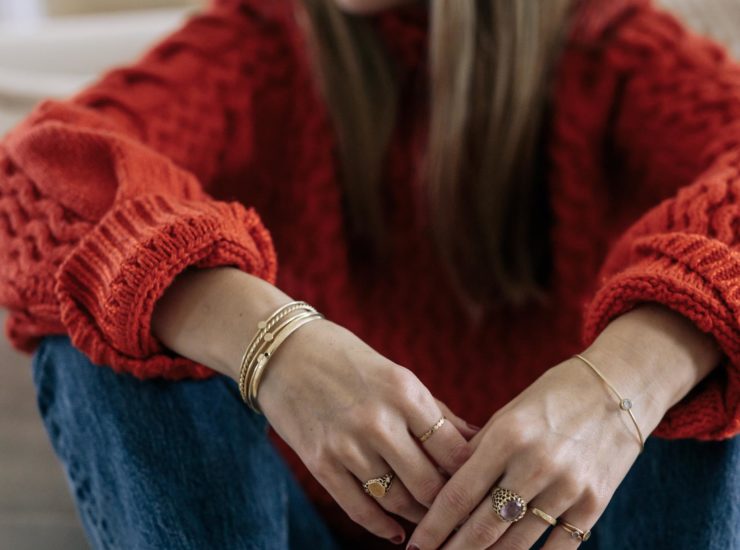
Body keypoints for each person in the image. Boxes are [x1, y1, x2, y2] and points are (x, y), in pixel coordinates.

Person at [1, 0, 738, 548]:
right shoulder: (259, 42)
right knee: (102, 305)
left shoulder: (612, 49)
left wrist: (618, 390)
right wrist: (277, 344)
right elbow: (29, 180)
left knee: (716, 347)